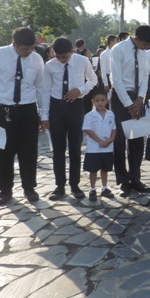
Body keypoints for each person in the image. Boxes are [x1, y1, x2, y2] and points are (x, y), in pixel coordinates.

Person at [0, 27, 45, 205]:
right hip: (2, 110)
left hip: (28, 109)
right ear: (14, 44)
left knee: (29, 151)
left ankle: (29, 187)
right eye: (25, 48)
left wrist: (43, 114)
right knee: (3, 152)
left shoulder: (37, 59)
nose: (29, 51)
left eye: (32, 47)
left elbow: (41, 87)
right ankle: (5, 190)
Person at [41, 37, 98, 201]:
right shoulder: (49, 65)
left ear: (72, 51)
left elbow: (93, 80)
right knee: (58, 149)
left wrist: (80, 90)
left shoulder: (82, 61)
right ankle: (59, 186)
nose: (61, 60)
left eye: (64, 57)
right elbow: (45, 90)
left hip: (76, 107)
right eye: (57, 56)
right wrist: (44, 116)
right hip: (56, 107)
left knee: (75, 147)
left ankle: (75, 184)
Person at [110, 25, 150, 196]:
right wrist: (129, 104)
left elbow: (145, 77)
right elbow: (116, 79)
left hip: (137, 98)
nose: (146, 48)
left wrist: (140, 99)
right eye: (145, 44)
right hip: (121, 98)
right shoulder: (118, 49)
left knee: (137, 141)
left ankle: (135, 178)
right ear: (136, 38)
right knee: (119, 142)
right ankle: (123, 181)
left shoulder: (144, 53)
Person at [82, 88, 116, 201]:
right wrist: (100, 141)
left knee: (105, 169)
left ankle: (104, 188)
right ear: (93, 101)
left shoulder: (111, 114)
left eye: (102, 100)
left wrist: (111, 139)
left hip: (107, 148)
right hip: (94, 149)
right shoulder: (89, 115)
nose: (100, 103)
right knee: (93, 170)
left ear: (107, 100)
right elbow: (87, 130)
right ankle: (92, 189)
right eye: (97, 100)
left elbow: (114, 128)